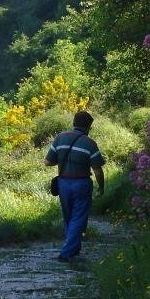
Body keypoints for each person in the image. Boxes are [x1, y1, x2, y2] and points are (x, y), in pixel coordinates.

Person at [44, 110, 105, 262]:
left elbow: (48, 162)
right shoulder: (90, 143)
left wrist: (63, 158)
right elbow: (97, 170)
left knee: (69, 217)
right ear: (89, 126)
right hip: (81, 184)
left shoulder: (60, 137)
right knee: (78, 217)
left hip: (63, 183)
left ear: (74, 123)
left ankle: (73, 248)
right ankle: (66, 253)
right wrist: (101, 187)